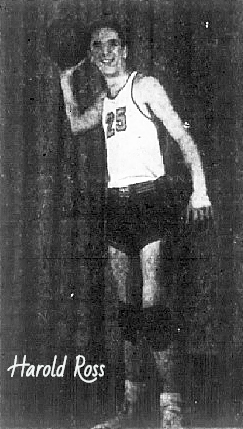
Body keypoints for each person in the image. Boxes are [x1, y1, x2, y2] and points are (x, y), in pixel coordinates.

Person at [60, 18, 212, 429]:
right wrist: (63, 81)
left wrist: (200, 190)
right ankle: (130, 410)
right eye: (97, 47)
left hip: (152, 202)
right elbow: (75, 124)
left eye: (112, 44)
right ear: (91, 57)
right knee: (127, 311)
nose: (106, 52)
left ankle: (171, 412)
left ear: (124, 50)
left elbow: (184, 138)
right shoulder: (104, 103)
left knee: (153, 307)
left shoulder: (144, 87)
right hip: (117, 205)